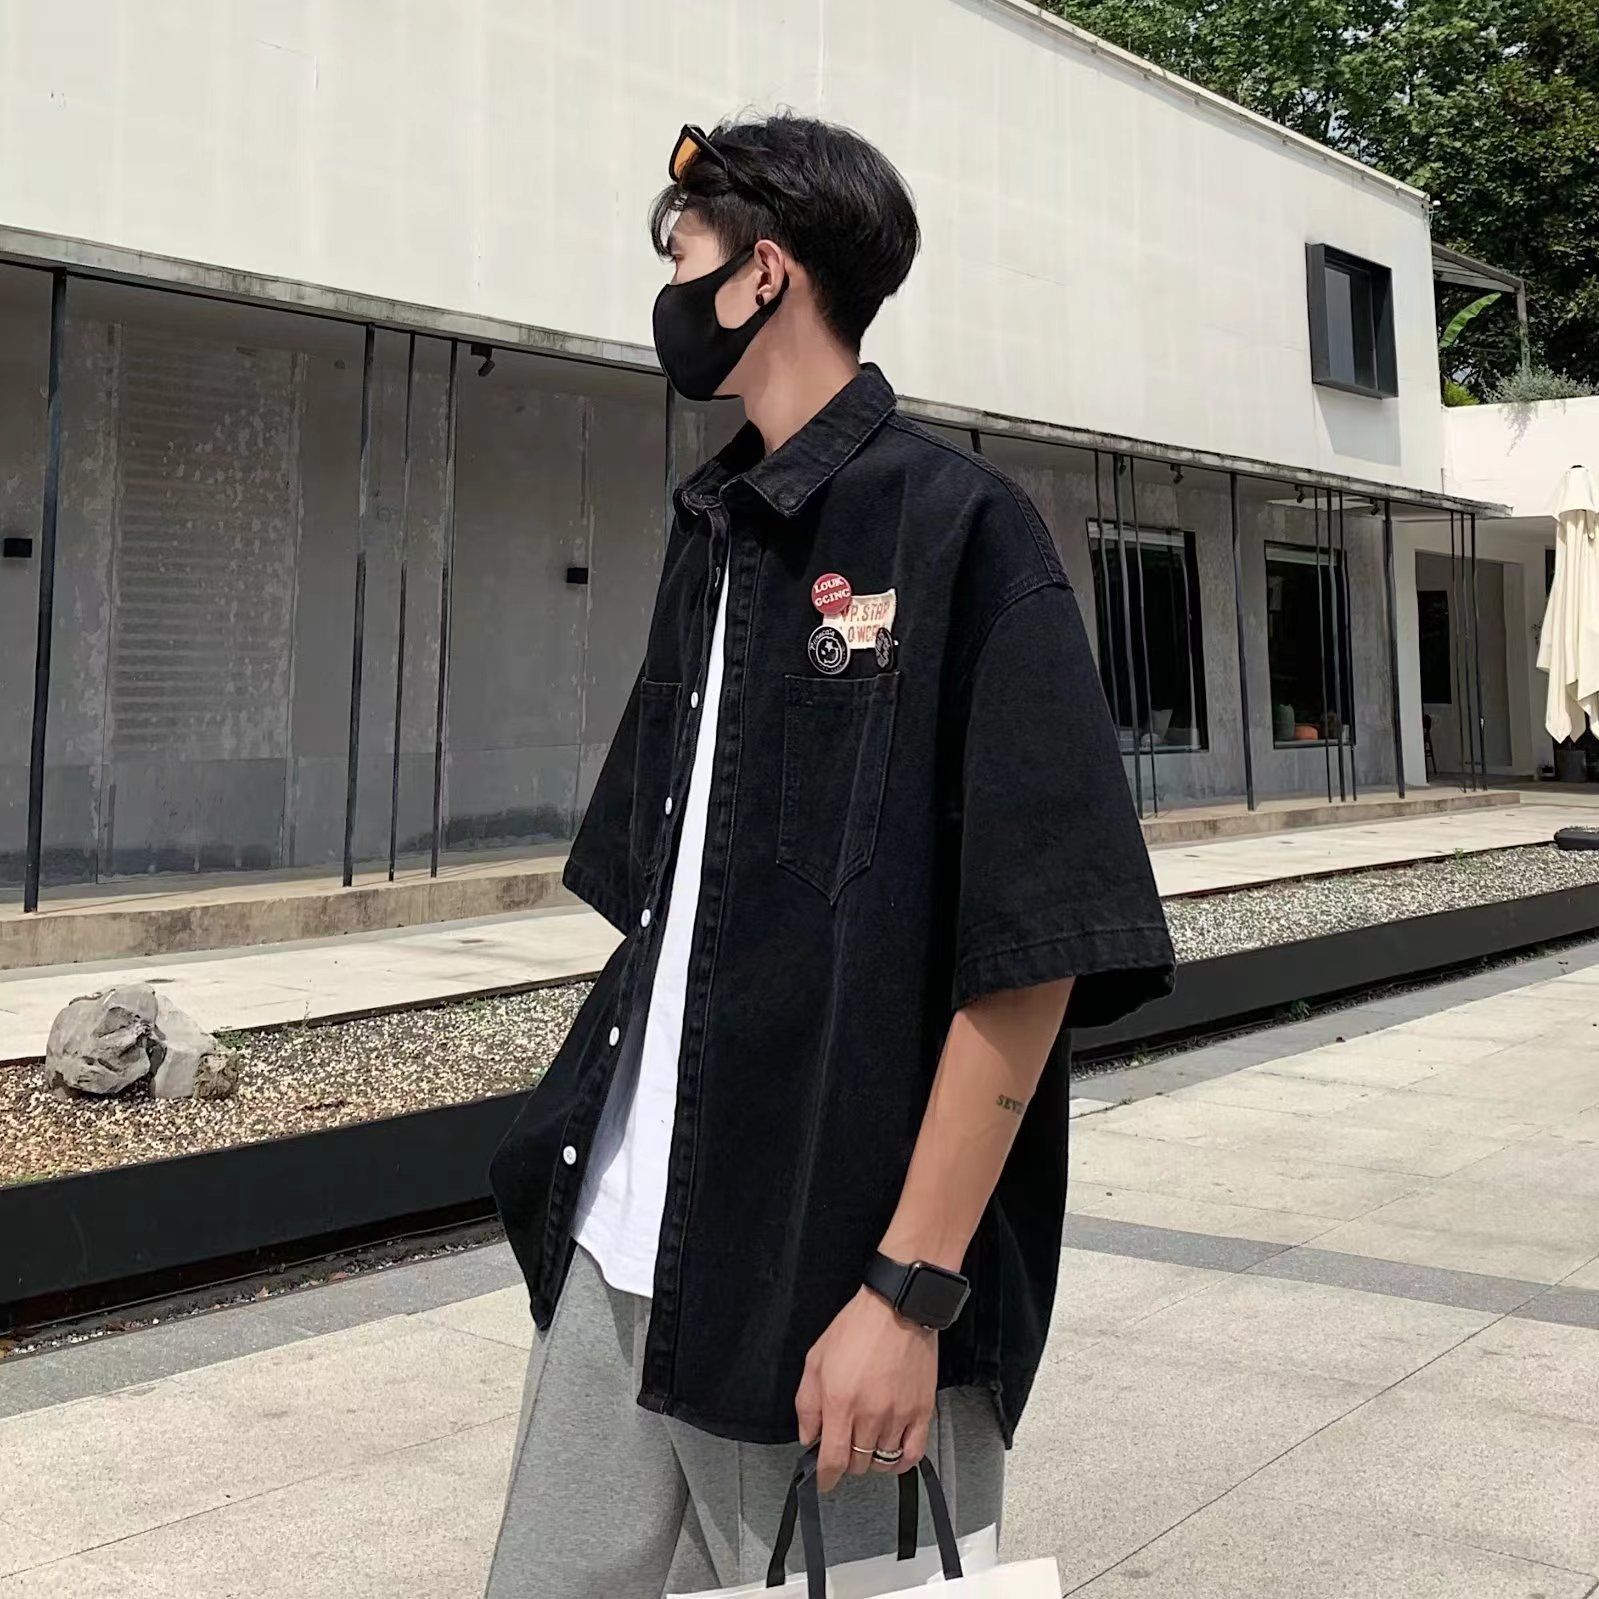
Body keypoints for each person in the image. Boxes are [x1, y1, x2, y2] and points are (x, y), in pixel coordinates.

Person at [485, 113, 1173, 1598]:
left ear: (763, 273)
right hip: (619, 1253)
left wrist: (910, 1293)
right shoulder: (711, 534)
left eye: (682, 255)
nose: (668, 291)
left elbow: (1036, 952)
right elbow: (672, 912)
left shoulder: (964, 532)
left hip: (829, 1298)